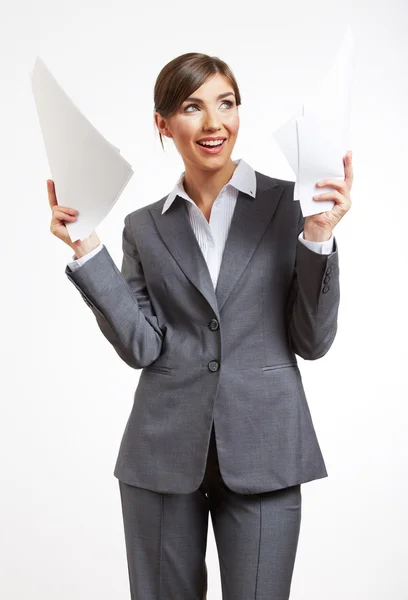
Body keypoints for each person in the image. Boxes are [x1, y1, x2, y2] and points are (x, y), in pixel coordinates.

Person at [48, 52, 352, 600]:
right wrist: (87, 249)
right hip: (161, 454)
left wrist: (319, 238)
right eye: (193, 107)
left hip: (267, 450)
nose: (214, 123)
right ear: (163, 124)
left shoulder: (294, 206)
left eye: (226, 104)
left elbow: (313, 341)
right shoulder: (144, 226)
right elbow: (142, 347)